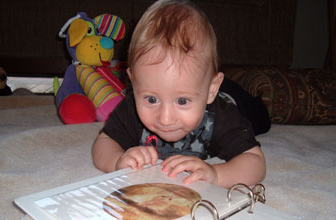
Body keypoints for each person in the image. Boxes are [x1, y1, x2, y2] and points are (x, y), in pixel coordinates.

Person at [92, 0, 266, 189]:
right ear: (133, 84)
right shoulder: (130, 107)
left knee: (261, 119)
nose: (165, 119)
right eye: (151, 99)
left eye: (182, 101)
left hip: (234, 101)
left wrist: (216, 174)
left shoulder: (224, 116)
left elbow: (255, 162)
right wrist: (117, 161)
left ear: (211, 90)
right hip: (201, 86)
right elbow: (103, 142)